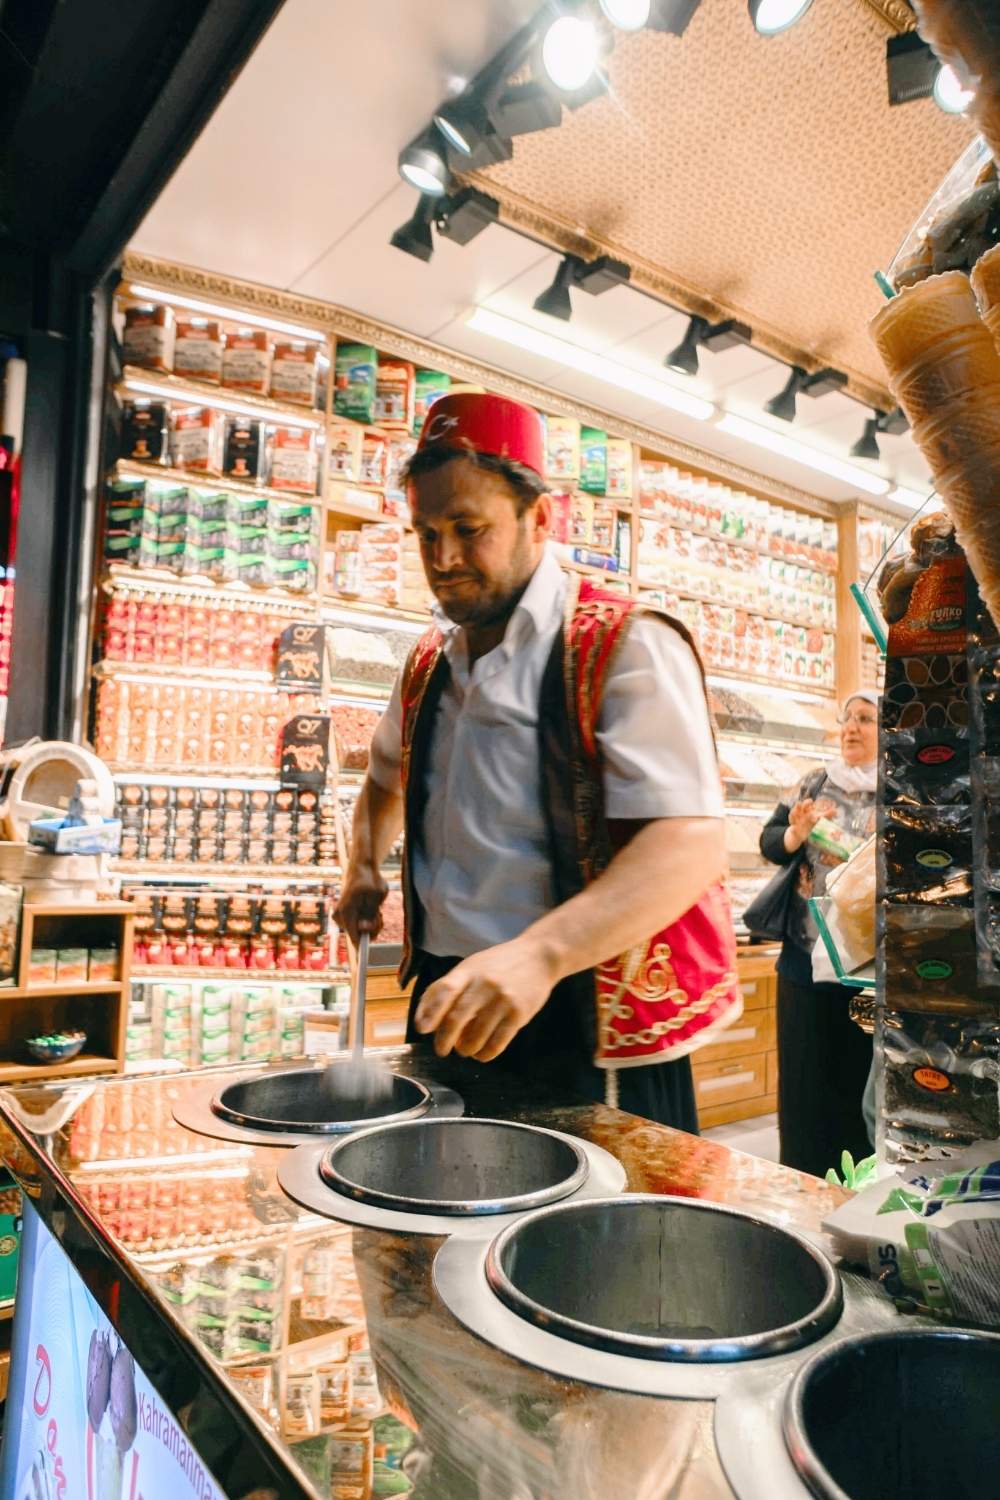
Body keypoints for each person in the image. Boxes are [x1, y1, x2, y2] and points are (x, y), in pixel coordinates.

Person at [335, 392, 741, 1131]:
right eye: (426, 533)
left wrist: (540, 955)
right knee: (439, 1222)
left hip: (583, 1013)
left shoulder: (625, 644)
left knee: (601, 1238)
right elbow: (384, 778)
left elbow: (689, 840)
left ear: (541, 519)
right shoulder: (428, 661)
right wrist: (363, 863)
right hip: (450, 998)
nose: (444, 559)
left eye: (469, 529)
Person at [759, 690, 879, 1176]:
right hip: (805, 961)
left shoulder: (902, 786)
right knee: (806, 1085)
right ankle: (802, 1181)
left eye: (866, 719)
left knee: (857, 1086)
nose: (852, 727)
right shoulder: (813, 782)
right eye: (847, 718)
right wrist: (797, 833)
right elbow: (771, 841)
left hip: (866, 968)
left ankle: (856, 1188)